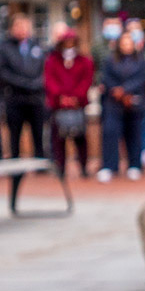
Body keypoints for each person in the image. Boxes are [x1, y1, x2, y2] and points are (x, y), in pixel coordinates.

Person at [96, 30, 145, 181]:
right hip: (113, 102)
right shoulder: (110, 60)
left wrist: (126, 91)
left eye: (129, 42)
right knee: (110, 133)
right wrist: (117, 91)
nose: (126, 45)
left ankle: (134, 165)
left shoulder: (141, 60)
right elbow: (105, 77)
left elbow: (142, 78)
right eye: (123, 42)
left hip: (134, 101)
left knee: (134, 134)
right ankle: (109, 166)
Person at [0, 14, 48, 160]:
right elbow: (1, 72)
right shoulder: (4, 48)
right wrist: (24, 83)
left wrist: (36, 84)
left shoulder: (38, 46)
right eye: (18, 26)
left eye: (25, 26)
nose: (22, 30)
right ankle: (15, 163)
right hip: (15, 98)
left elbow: (45, 69)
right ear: (12, 28)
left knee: (38, 133)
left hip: (35, 99)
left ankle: (39, 161)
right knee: (14, 135)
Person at [44, 26, 95, 179]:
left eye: (72, 42)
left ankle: (83, 166)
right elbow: (49, 80)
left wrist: (75, 97)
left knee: (80, 137)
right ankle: (60, 167)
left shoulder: (84, 61)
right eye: (66, 42)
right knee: (58, 138)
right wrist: (60, 96)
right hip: (59, 105)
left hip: (77, 105)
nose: (69, 45)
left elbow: (87, 79)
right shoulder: (53, 60)